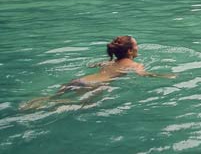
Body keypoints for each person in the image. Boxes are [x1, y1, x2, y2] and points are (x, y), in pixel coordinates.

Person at [20, 35, 174, 110]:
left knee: (50, 96)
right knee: (78, 103)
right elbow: (143, 74)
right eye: (136, 45)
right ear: (129, 50)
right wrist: (163, 76)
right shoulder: (134, 64)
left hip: (80, 79)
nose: (138, 48)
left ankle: (37, 102)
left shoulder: (108, 62)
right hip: (97, 85)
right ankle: (51, 104)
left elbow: (93, 64)